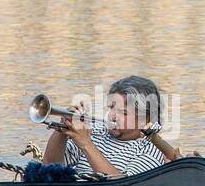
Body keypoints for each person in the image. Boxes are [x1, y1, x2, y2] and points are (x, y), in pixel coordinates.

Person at [41, 76, 171, 178]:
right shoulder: (95, 131)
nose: (112, 116)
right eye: (111, 107)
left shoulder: (152, 150)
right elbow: (50, 167)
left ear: (145, 119)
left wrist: (86, 144)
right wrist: (63, 129)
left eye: (124, 112)